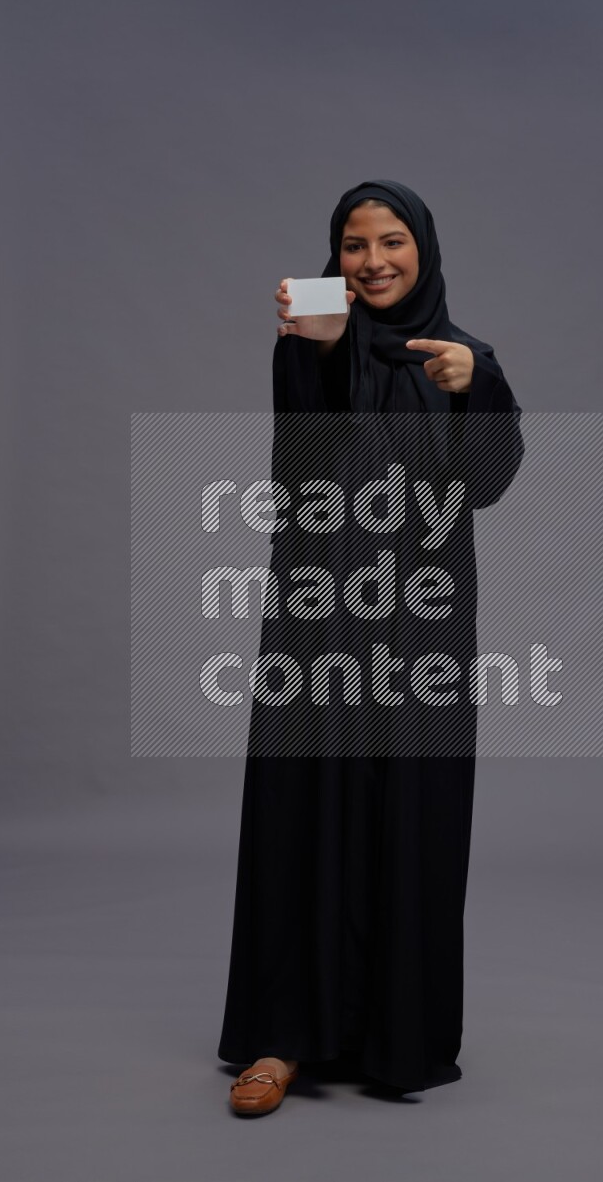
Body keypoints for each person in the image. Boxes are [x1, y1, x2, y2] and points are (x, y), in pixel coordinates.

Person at [218, 179, 524, 1116]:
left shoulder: (464, 357)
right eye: (354, 244)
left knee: (413, 811)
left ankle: (400, 1039)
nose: (375, 259)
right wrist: (309, 360)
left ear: (423, 250)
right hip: (318, 617)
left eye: (393, 241)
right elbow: (297, 474)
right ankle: (280, 1039)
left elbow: (486, 486)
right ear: (335, 257)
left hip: (424, 624)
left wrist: (480, 392)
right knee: (300, 805)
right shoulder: (311, 342)